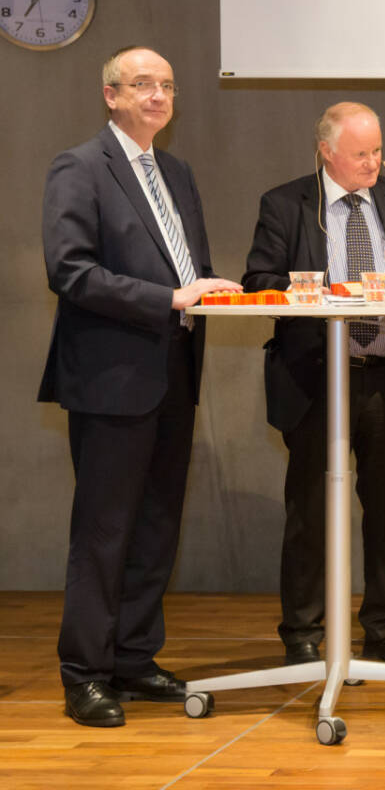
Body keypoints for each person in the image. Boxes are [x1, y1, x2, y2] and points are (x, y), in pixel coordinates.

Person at [40, 46, 240, 727]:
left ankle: (132, 657)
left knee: (155, 527)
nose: (158, 96)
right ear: (111, 95)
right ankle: (85, 675)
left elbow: (190, 267)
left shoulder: (176, 172)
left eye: (167, 86)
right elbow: (70, 270)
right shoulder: (79, 167)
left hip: (174, 374)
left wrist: (207, 292)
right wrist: (172, 299)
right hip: (110, 380)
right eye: (142, 85)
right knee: (104, 532)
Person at [242, 102, 385, 668]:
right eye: (360, 154)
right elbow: (258, 278)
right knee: (309, 511)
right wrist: (313, 292)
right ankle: (303, 633)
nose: (373, 163)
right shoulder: (286, 204)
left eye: (379, 151)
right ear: (326, 152)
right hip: (317, 377)